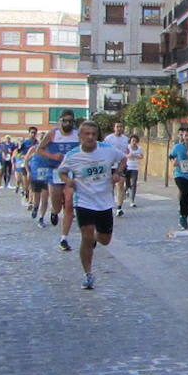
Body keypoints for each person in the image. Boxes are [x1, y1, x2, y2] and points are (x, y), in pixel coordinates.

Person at [57, 121, 126, 290]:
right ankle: (88, 274)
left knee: (105, 240)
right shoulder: (73, 156)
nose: (90, 137)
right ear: (80, 136)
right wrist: (68, 181)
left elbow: (123, 158)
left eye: (94, 134)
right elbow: (61, 171)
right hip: (84, 201)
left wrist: (117, 173)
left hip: (104, 201)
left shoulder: (107, 149)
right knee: (86, 237)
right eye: (87, 134)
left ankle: (96, 237)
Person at [35, 111, 81, 248]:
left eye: (70, 121)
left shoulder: (78, 134)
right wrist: (53, 156)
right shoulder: (53, 134)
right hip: (55, 171)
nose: (67, 123)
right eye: (65, 121)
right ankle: (54, 211)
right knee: (56, 203)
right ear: (60, 121)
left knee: (69, 203)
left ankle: (63, 238)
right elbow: (39, 150)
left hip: (71, 172)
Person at [169, 125, 188, 234]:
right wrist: (173, 162)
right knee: (184, 193)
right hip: (180, 175)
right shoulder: (177, 147)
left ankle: (185, 216)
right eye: (186, 135)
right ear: (183, 136)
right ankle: (182, 215)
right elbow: (171, 156)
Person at [102, 121, 131, 215]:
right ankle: (109, 205)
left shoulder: (126, 139)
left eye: (121, 126)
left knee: (120, 185)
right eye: (117, 126)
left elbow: (128, 151)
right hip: (110, 165)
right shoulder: (108, 138)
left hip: (121, 165)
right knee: (110, 186)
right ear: (114, 128)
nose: (119, 128)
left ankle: (119, 207)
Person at [123, 132, 144, 210]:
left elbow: (141, 156)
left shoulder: (139, 148)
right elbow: (123, 155)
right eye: (133, 141)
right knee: (127, 184)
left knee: (133, 184)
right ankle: (125, 192)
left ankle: (132, 201)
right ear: (130, 141)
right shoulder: (127, 147)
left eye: (135, 141)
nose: (134, 142)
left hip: (135, 168)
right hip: (127, 167)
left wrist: (136, 156)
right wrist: (129, 155)